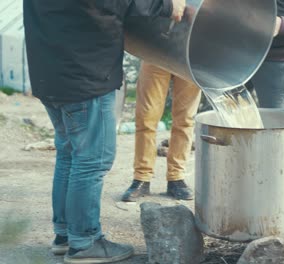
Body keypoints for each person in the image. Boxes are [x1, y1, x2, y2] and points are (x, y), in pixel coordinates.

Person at [23, 0, 186, 263]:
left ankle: (65, 235)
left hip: (51, 73)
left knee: (69, 154)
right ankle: (85, 242)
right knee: (91, 160)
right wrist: (167, 5)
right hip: (84, 76)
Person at [121, 62, 201, 202]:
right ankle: (142, 178)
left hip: (190, 58)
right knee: (146, 118)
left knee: (186, 119)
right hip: (155, 52)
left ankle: (176, 178)